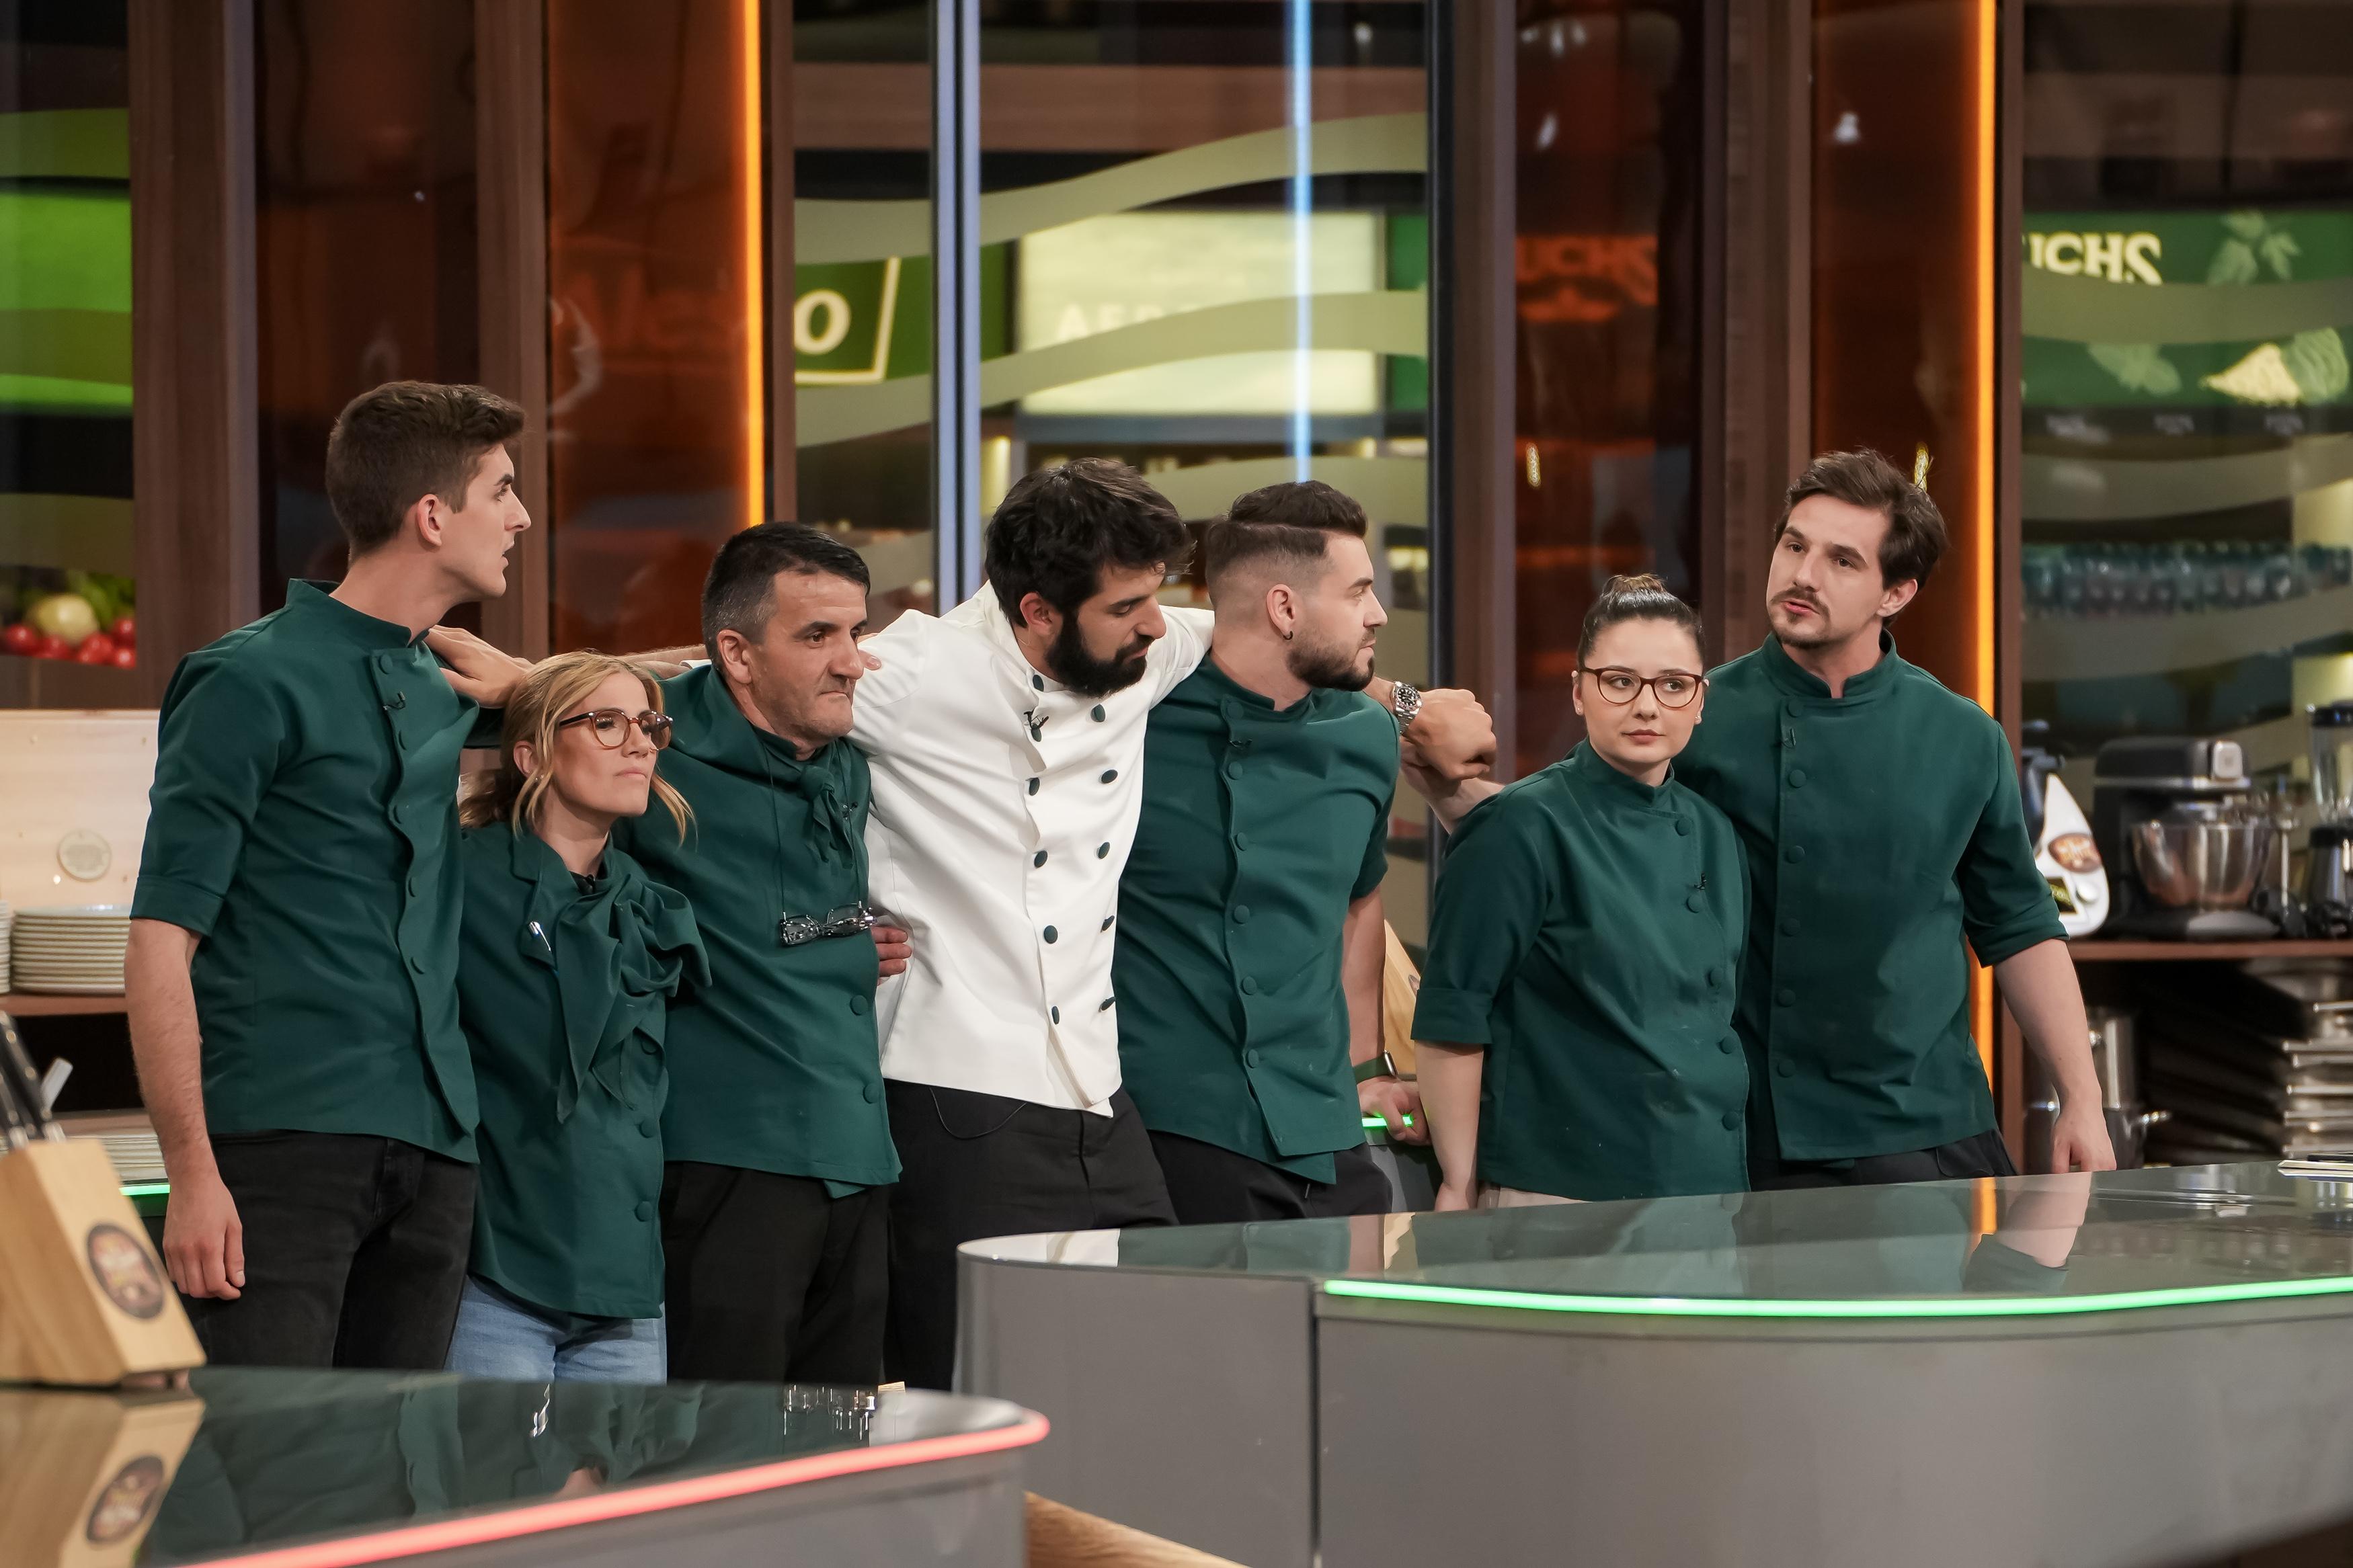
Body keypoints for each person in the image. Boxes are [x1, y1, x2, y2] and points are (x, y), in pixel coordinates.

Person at [849, 457, 1495, 1389]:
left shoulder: (1158, 646)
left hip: (1132, 1105)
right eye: (1128, 607)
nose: (1154, 622)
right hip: (995, 1097)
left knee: (1191, 1386)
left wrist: (1405, 704)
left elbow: (1268, 644)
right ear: (1039, 611)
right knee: (1001, 1384)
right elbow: (745, 680)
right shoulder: (923, 671)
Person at [1421, 450, 2115, 1190]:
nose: (1803, 574)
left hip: (1920, 1123)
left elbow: (2020, 926)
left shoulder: (1963, 736)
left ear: (1897, 592)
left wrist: (2081, 1098)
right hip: (1747, 1133)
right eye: (1793, 545)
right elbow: (1566, 828)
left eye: (1841, 560)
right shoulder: (1694, 711)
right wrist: (1436, 778)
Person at [126, 380, 530, 1368]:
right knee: (267, 1455)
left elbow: (649, 711)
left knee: (400, 1457)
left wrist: (537, 685)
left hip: (437, 1152)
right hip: (280, 1144)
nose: (520, 516)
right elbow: (159, 939)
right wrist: (190, 1172)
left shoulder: (445, 680)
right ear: (431, 515)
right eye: (501, 490)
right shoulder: (247, 676)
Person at [613, 523, 907, 1385]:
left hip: (859, 1159)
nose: (850, 661)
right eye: (816, 636)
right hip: (725, 1166)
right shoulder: (649, 750)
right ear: (736, 655)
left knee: (838, 1440)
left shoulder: (850, 750)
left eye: (855, 631)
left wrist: (840, 934)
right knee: (720, 1444)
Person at [1115, 481, 1424, 1225]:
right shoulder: (1128, 718)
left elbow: (1359, 906)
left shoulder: (1366, 733)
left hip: (1327, 1126)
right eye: (1358, 592)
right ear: (1284, 608)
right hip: (1174, 1129)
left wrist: (1365, 1070)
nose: (1378, 613)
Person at [1414, 575, 1749, 1206]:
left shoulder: (1715, 832)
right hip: (1559, 1192)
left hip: (1706, 1187)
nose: (1647, 706)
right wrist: (1458, 1184)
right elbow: (1452, 1016)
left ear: (1701, 699)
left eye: (1673, 685)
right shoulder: (1519, 825)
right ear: (1578, 691)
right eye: (1619, 682)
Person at [444, 653, 707, 1384]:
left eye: (647, 723)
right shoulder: (463, 874)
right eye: (606, 723)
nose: (640, 743)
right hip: (497, 1274)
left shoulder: (648, 899)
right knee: (495, 1466)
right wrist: (519, 690)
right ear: (530, 756)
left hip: (627, 1286)